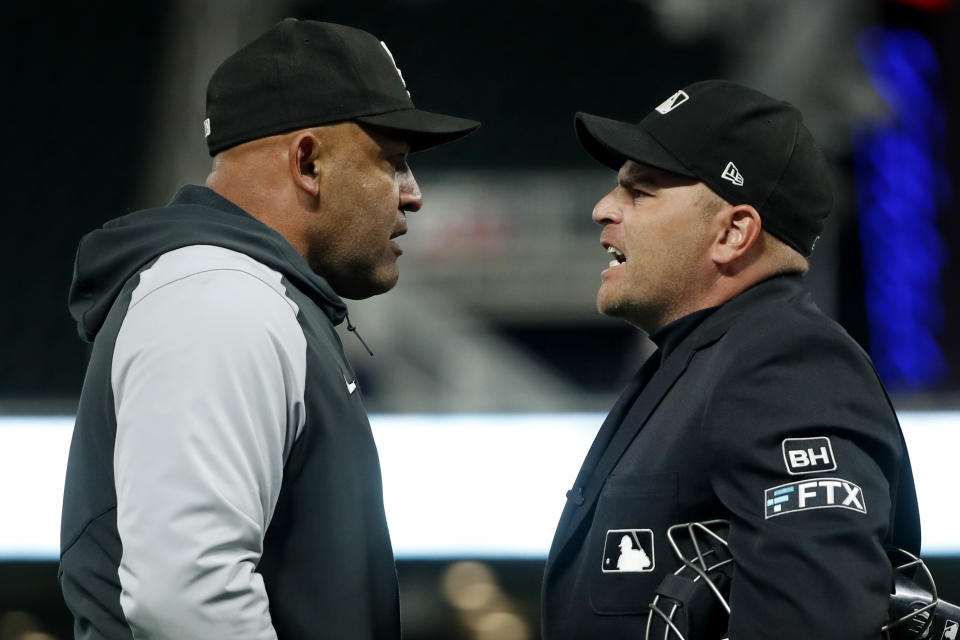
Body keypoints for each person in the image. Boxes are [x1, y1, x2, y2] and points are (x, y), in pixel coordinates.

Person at [59, 18, 478, 639]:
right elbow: (188, 599)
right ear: (308, 162)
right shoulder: (218, 298)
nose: (411, 195)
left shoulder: (242, 293)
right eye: (392, 162)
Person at [541, 80, 920, 639]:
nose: (603, 209)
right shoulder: (702, 360)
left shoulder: (788, 365)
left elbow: (816, 625)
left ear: (734, 232)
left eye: (640, 192)